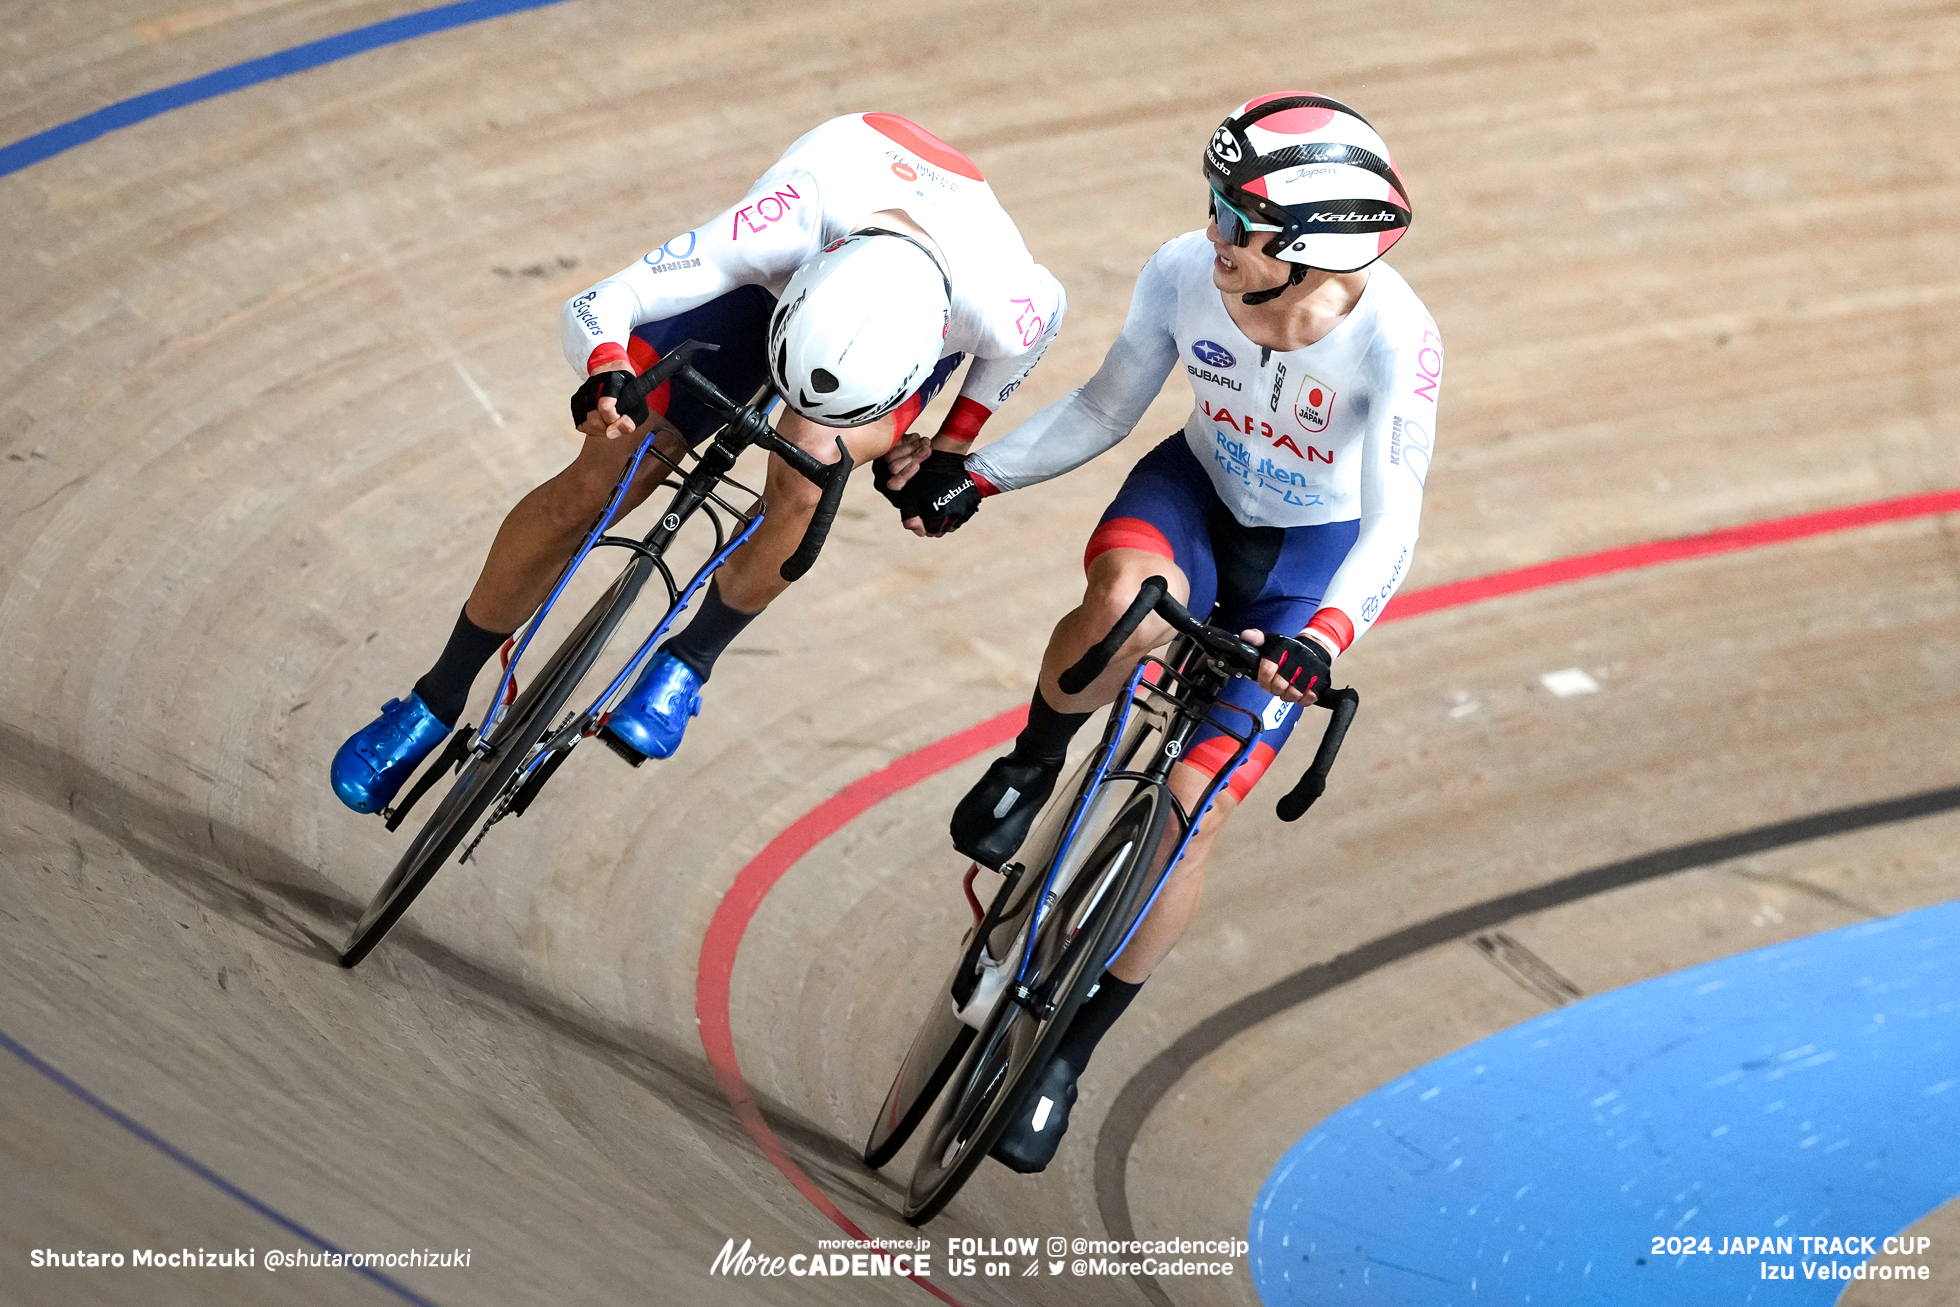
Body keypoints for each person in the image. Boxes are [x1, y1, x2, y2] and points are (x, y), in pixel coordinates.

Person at [892, 92, 1439, 1172]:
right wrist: (982, 475)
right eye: (1215, 206)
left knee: (1193, 810)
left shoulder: (1397, 342)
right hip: (1196, 494)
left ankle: (1066, 1054)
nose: (1213, 233)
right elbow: (1106, 407)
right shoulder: (1183, 268)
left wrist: (1320, 639)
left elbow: (1395, 523)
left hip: (1304, 569)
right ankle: (1031, 765)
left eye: (1238, 221)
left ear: (1309, 250)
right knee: (1121, 607)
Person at [331, 113, 1063, 813]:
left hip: (897, 319)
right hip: (814, 244)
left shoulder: (997, 304)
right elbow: (603, 301)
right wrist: (606, 366)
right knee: (609, 471)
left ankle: (691, 657)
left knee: (811, 465)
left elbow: (1043, 320)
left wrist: (955, 441)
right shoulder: (790, 216)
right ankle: (439, 692)